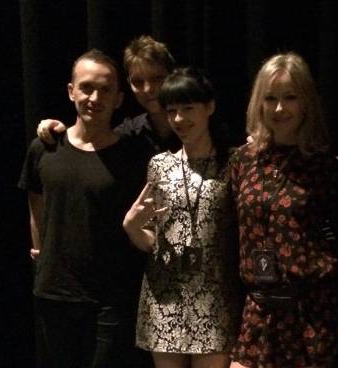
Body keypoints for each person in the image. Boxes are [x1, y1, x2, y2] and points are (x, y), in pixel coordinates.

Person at [18, 49, 153, 367]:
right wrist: (41, 251)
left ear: (119, 99)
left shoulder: (134, 155)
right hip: (55, 292)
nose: (95, 98)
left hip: (112, 296)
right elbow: (36, 200)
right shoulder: (45, 147)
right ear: (71, 91)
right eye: (87, 88)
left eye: (105, 90)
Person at [228, 52, 338, 368]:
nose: (279, 108)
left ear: (305, 102)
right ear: (259, 103)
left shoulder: (324, 165)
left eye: (290, 97)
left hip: (310, 315)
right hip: (258, 311)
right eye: (271, 98)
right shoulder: (242, 161)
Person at [122, 67, 241, 368]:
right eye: (171, 111)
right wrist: (132, 228)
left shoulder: (234, 162)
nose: (178, 119)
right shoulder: (160, 165)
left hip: (214, 298)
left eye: (188, 108)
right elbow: (152, 240)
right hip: (165, 298)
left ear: (209, 107)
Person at [36, 35, 179, 157]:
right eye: (138, 82)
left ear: (172, 76)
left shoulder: (192, 122)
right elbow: (92, 138)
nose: (148, 89)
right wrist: (57, 131)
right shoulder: (129, 134)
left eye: (157, 79)